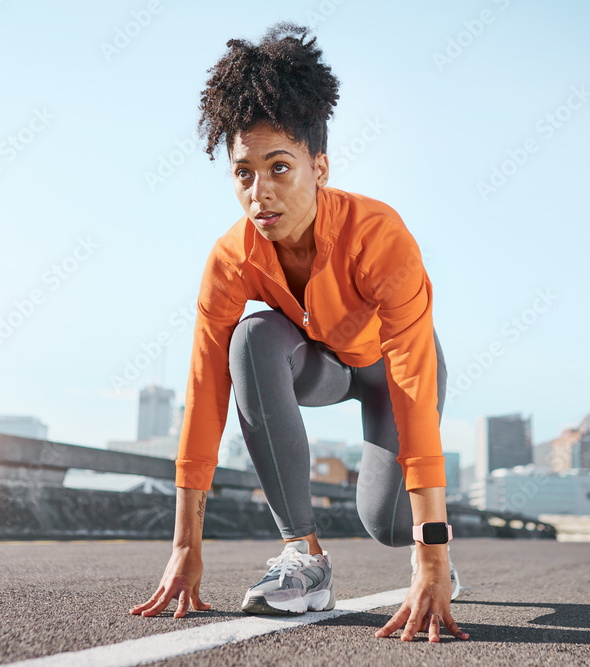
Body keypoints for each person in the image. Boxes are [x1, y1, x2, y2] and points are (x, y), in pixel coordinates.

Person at [130, 22, 469, 644]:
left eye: (279, 168)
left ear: (319, 166)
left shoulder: (379, 237)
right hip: (322, 364)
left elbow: (415, 384)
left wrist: (432, 554)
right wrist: (184, 545)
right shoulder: (230, 261)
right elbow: (206, 392)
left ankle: (426, 538)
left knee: (391, 525)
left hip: (392, 369)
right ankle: (305, 558)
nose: (260, 193)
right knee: (251, 338)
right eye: (243, 173)